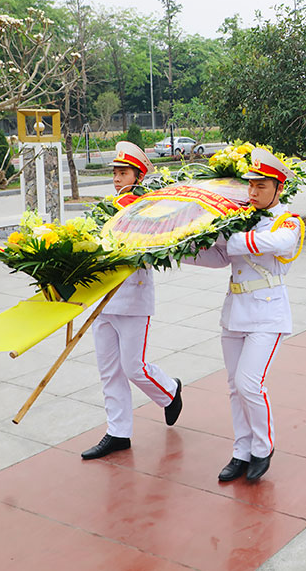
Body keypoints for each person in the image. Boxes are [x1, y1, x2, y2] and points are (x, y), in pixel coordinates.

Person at [190, 148, 304, 482]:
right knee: (233, 386)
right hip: (235, 312)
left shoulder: (289, 223)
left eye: (261, 186)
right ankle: (241, 450)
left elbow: (272, 244)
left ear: (278, 188)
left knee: (249, 383)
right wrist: (185, 249)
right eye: (250, 185)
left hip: (268, 314)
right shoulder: (239, 220)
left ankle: (262, 446)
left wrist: (222, 233)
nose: (253, 192)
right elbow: (221, 258)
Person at [81, 142, 183, 460]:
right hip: (103, 298)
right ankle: (118, 432)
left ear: (138, 175)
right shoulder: (108, 206)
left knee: (133, 366)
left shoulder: (147, 208)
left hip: (132, 297)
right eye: (114, 172)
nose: (116, 178)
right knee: (109, 370)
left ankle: (170, 391)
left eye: (123, 172)